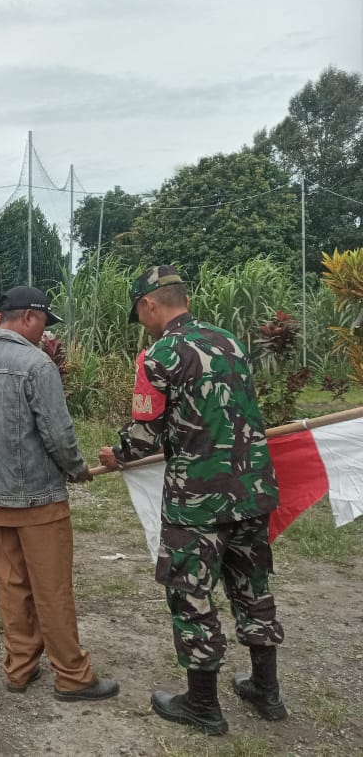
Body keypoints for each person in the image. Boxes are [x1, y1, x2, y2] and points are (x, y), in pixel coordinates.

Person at [98, 265, 286, 735]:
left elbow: (144, 436)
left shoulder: (159, 355)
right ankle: (267, 691)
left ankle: (202, 704)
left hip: (197, 501)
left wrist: (114, 453)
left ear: (150, 305)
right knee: (253, 590)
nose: (142, 322)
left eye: (139, 314)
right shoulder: (230, 342)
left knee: (191, 595)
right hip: (251, 491)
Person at [0, 286, 119, 701]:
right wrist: (77, 468)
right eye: (44, 323)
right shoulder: (36, 365)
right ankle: (72, 675)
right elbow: (58, 432)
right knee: (51, 588)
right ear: (29, 317)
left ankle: (19, 667)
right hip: (37, 499)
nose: (45, 333)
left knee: (12, 586)